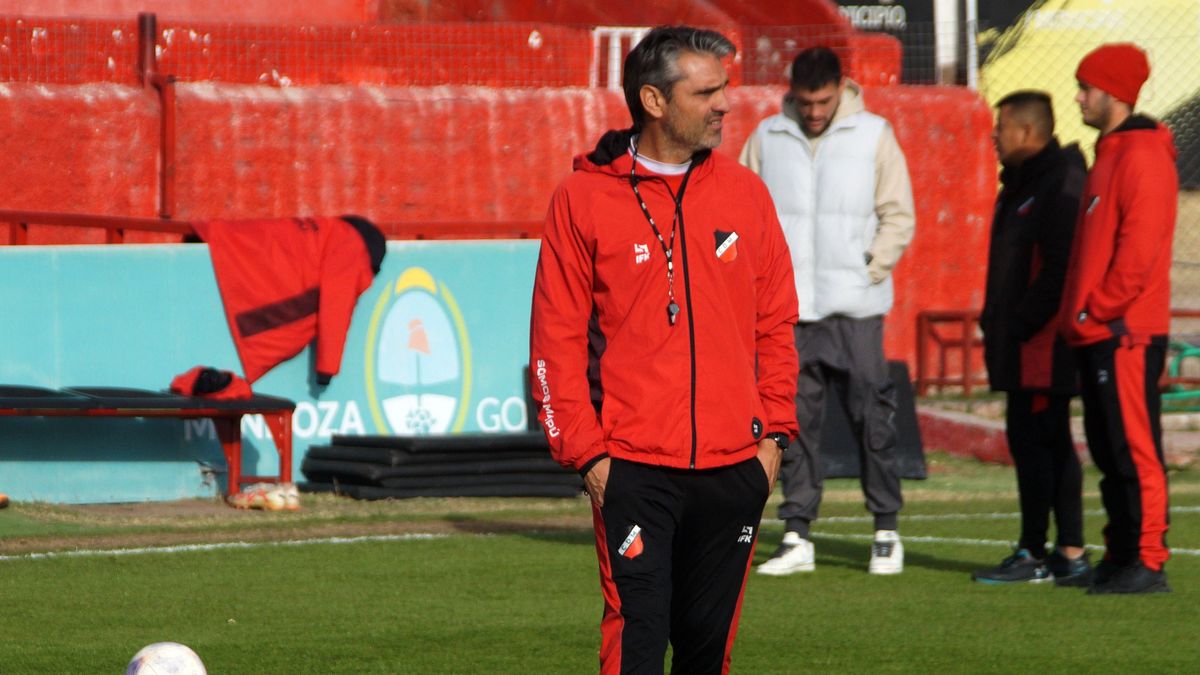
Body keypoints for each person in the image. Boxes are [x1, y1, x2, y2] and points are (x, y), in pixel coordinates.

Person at [529, 26, 800, 673]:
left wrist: (773, 440)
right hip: (632, 465)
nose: (723, 104)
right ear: (653, 100)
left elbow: (778, 323)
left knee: (708, 649)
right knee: (639, 639)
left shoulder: (745, 193)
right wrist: (587, 453)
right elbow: (554, 337)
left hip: (736, 465)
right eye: (706, 91)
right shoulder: (581, 198)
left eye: (724, 89)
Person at [740, 46, 914, 575]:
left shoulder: (875, 134)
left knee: (873, 422)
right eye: (806, 101)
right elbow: (741, 210)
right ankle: (797, 536)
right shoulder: (768, 137)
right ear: (792, 93)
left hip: (856, 309)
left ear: (843, 88)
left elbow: (899, 214)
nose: (814, 111)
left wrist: (870, 267)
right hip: (789, 313)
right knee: (792, 425)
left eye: (824, 100)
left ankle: (886, 530)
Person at [1057, 43, 1177, 594]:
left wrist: (1097, 308)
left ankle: (1148, 560)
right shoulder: (1110, 153)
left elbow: (1138, 254)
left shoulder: (1143, 156)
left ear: (1114, 93)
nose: (1079, 96)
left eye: (1087, 87)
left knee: (1134, 449)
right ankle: (1122, 553)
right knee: (1109, 450)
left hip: (1123, 333)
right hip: (1098, 331)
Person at [972, 91, 1091, 585]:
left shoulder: (1059, 183)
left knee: (1044, 441)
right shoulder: (1022, 183)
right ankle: (1060, 551)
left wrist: (1021, 322)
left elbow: (1061, 267)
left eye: (1001, 127)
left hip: (1042, 345)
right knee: (1035, 440)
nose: (994, 136)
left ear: (1026, 131)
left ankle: (1043, 551)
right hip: (1022, 342)